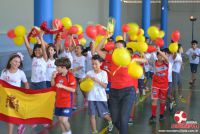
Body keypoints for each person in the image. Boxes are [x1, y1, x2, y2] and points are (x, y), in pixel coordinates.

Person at [96, 37, 146, 134]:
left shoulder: (131, 58)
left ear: (125, 50)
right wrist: (105, 37)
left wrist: (133, 61)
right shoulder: (111, 58)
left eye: (119, 48)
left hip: (128, 92)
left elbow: (145, 60)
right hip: (114, 92)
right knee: (114, 120)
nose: (116, 50)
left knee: (123, 119)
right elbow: (97, 50)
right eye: (115, 48)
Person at [0, 53, 29, 134]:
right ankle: (21, 124)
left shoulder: (20, 73)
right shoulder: (5, 72)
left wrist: (26, 93)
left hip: (16, 97)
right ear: (10, 62)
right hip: (7, 97)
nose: (17, 63)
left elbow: (26, 83)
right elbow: (1, 83)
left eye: (18, 62)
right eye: (15, 61)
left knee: (10, 116)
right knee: (10, 116)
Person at [84, 54, 113, 134]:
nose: (94, 66)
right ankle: (94, 131)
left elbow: (104, 86)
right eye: (92, 64)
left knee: (104, 115)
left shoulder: (104, 73)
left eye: (96, 64)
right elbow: (82, 83)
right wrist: (84, 79)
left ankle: (110, 121)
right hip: (91, 97)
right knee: (92, 115)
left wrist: (96, 80)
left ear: (101, 64)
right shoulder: (89, 72)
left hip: (101, 98)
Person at [51, 57, 76, 134]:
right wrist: (52, 77)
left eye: (58, 67)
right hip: (58, 102)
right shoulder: (58, 75)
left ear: (64, 67)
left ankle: (68, 132)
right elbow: (53, 85)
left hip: (67, 102)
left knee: (64, 120)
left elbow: (73, 90)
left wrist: (63, 86)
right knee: (60, 120)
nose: (56, 68)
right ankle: (64, 132)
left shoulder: (70, 76)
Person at [149, 48, 169, 123]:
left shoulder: (166, 63)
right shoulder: (154, 62)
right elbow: (148, 60)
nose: (162, 57)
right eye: (160, 55)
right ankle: (153, 115)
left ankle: (161, 114)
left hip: (164, 85)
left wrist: (159, 51)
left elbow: (166, 58)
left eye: (163, 55)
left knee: (162, 100)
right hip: (155, 84)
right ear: (157, 56)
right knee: (154, 100)